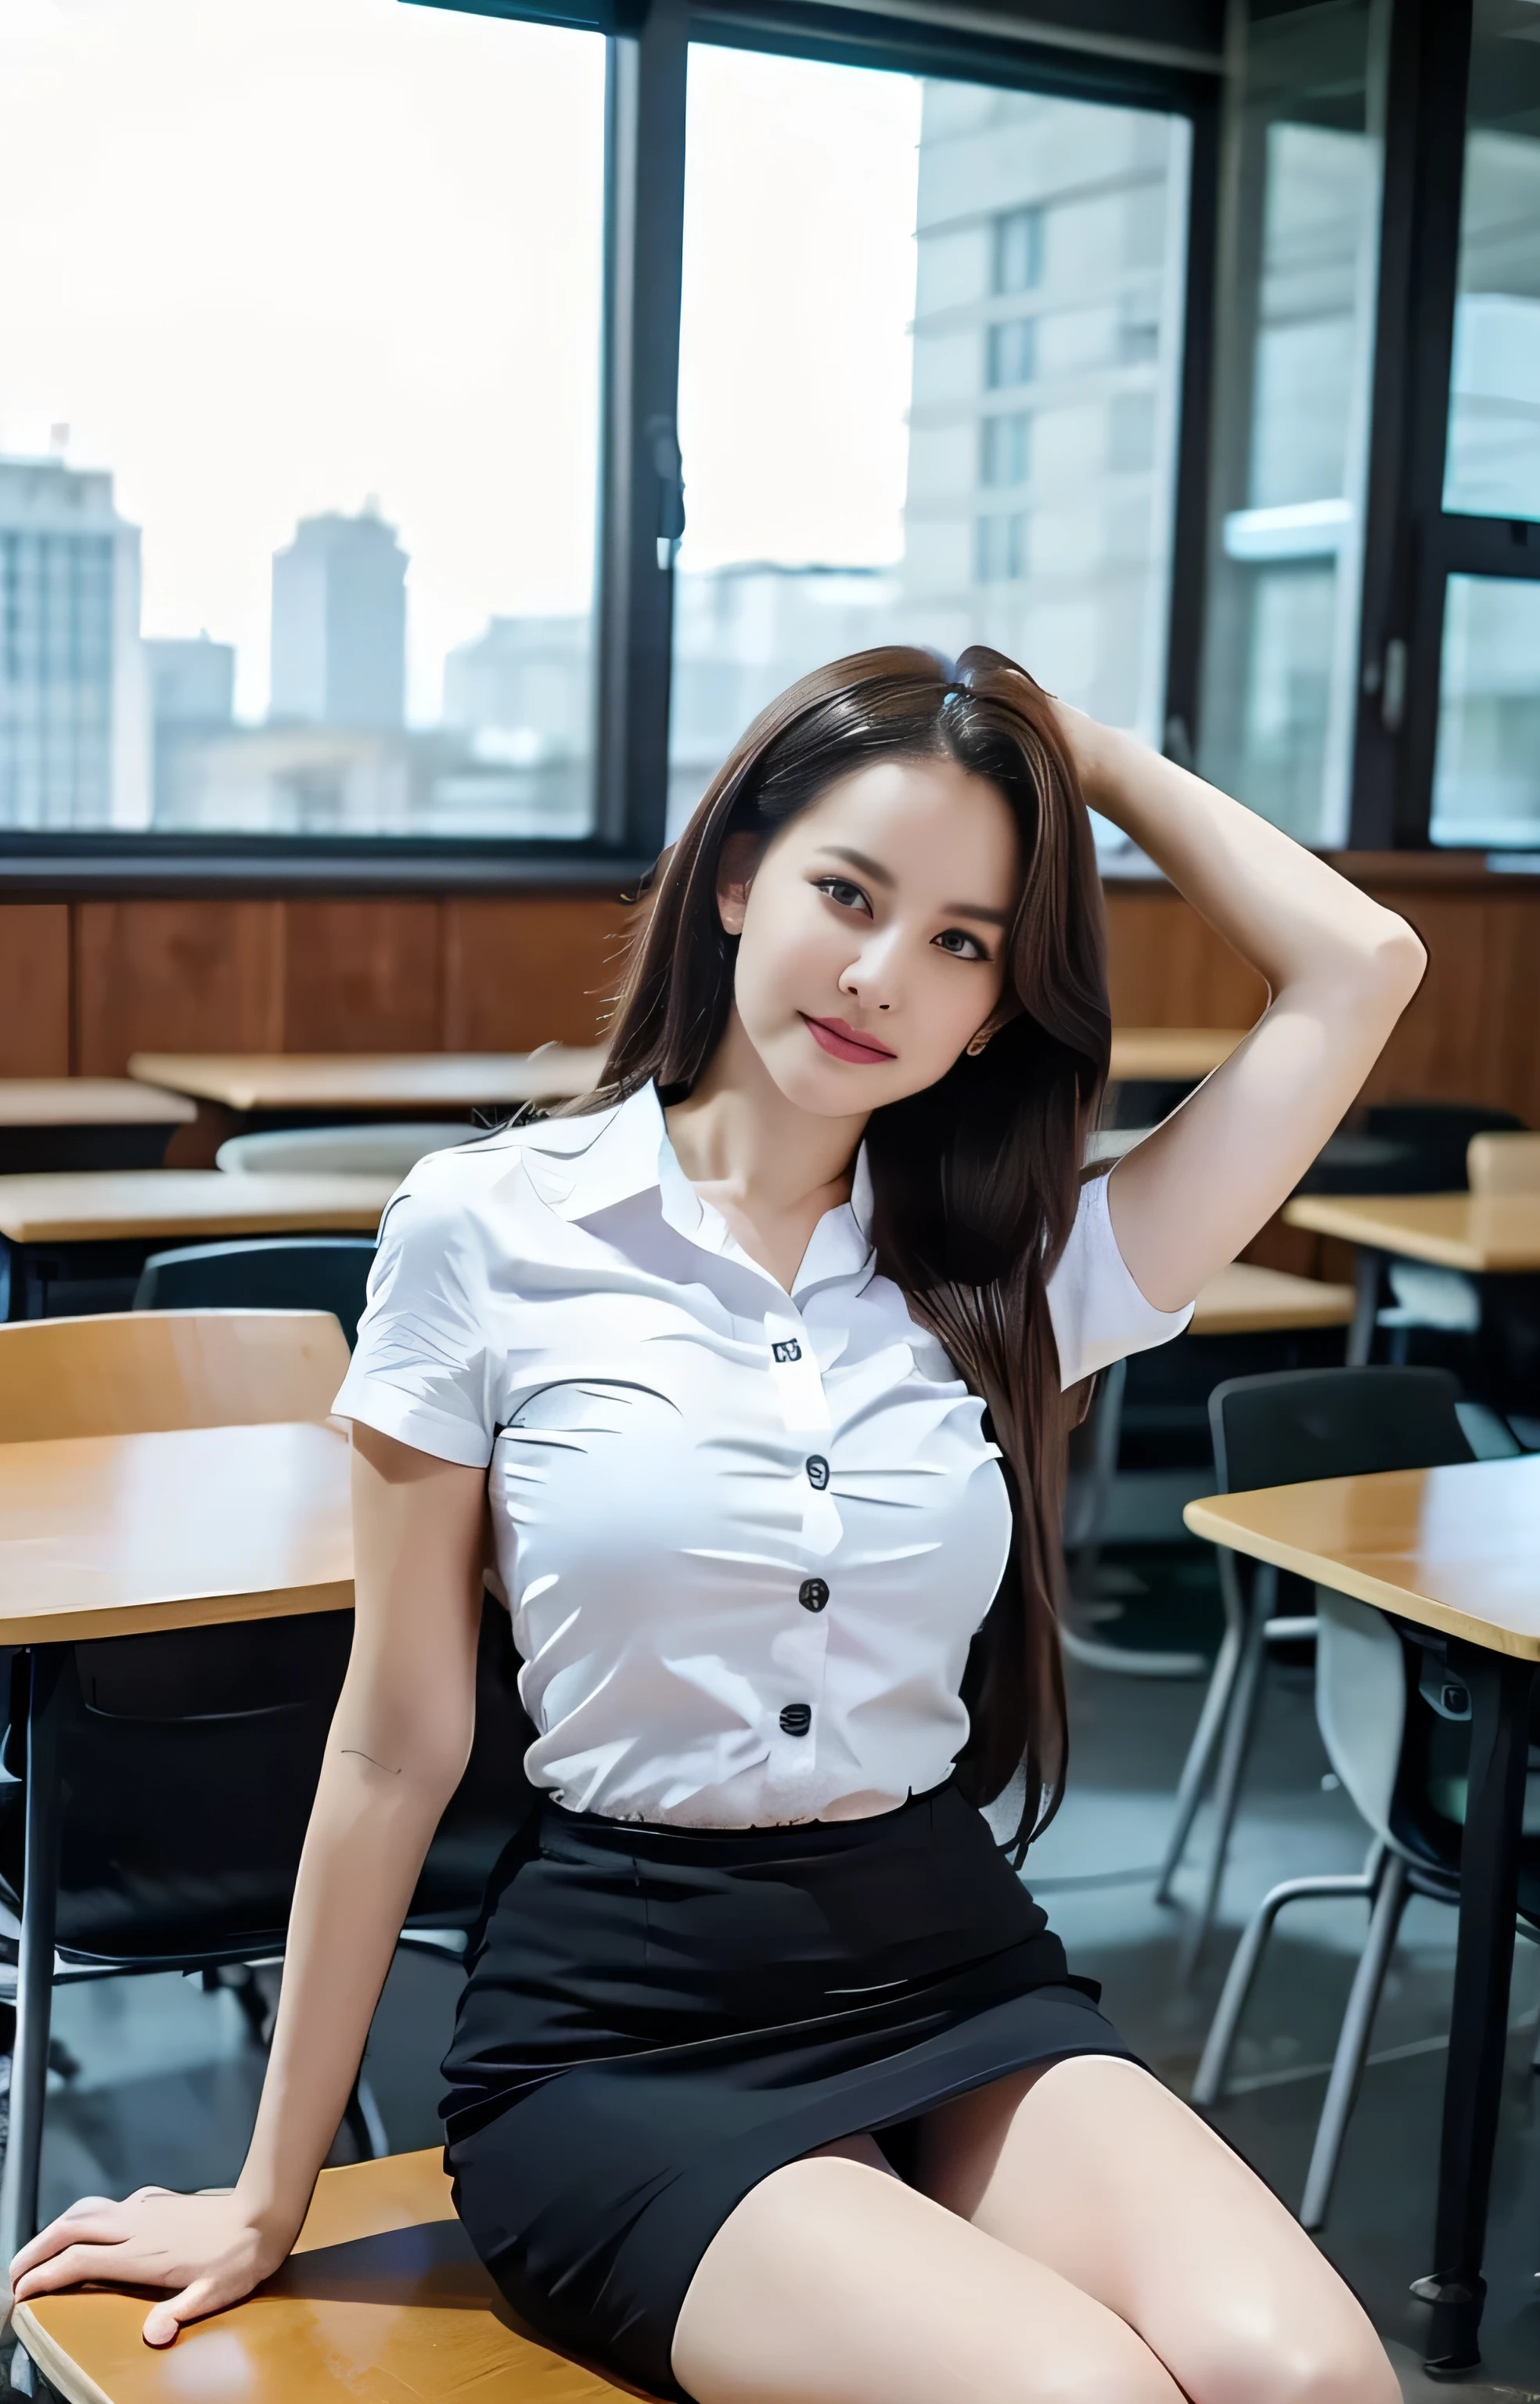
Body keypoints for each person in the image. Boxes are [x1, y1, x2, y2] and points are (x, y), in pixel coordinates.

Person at [10, 650, 1423, 2404]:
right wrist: (264, 2189)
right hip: (621, 2034)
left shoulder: (1015, 1264)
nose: (881, 975)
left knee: (1318, 2384)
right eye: (849, 892)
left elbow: (1363, 965)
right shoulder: (486, 1230)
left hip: (949, 1965)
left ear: (995, 1007)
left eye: (963, 941)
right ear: (738, 876)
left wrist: (1082, 757)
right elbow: (393, 1743)